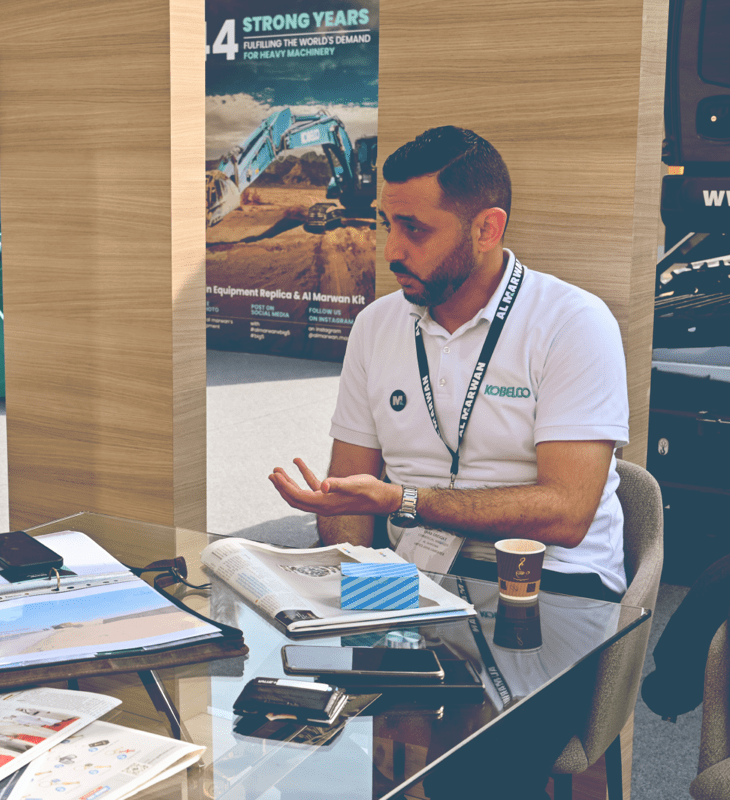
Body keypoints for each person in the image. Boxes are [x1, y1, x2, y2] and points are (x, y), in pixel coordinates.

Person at [268, 126, 630, 799]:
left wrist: (400, 502)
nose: (391, 249)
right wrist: (341, 538)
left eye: (414, 229)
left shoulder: (573, 322)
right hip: (405, 586)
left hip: (550, 592)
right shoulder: (378, 326)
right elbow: (352, 503)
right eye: (384, 224)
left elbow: (569, 513)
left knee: (466, 768)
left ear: (486, 229)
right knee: (282, 723)